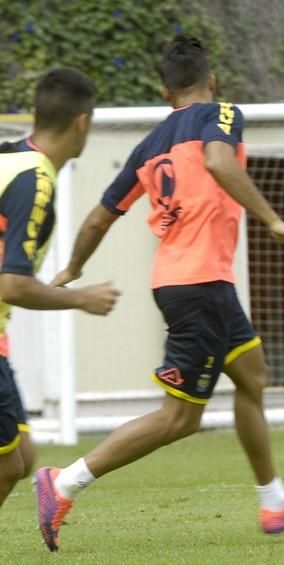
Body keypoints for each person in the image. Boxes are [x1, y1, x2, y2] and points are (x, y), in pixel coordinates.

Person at [34, 36, 284, 552]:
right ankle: (63, 483)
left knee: (252, 375)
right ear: (210, 81)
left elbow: (101, 215)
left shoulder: (148, 146)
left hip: (192, 281)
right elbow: (218, 162)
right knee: (179, 418)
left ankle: (276, 502)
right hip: (199, 286)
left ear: (164, 89)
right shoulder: (222, 113)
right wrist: (275, 220)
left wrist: (72, 267)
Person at [0, 69, 119, 509]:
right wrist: (81, 299)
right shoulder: (36, 180)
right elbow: (12, 284)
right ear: (82, 123)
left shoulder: (9, 158)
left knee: (22, 455)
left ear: (35, 114)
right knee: (10, 466)